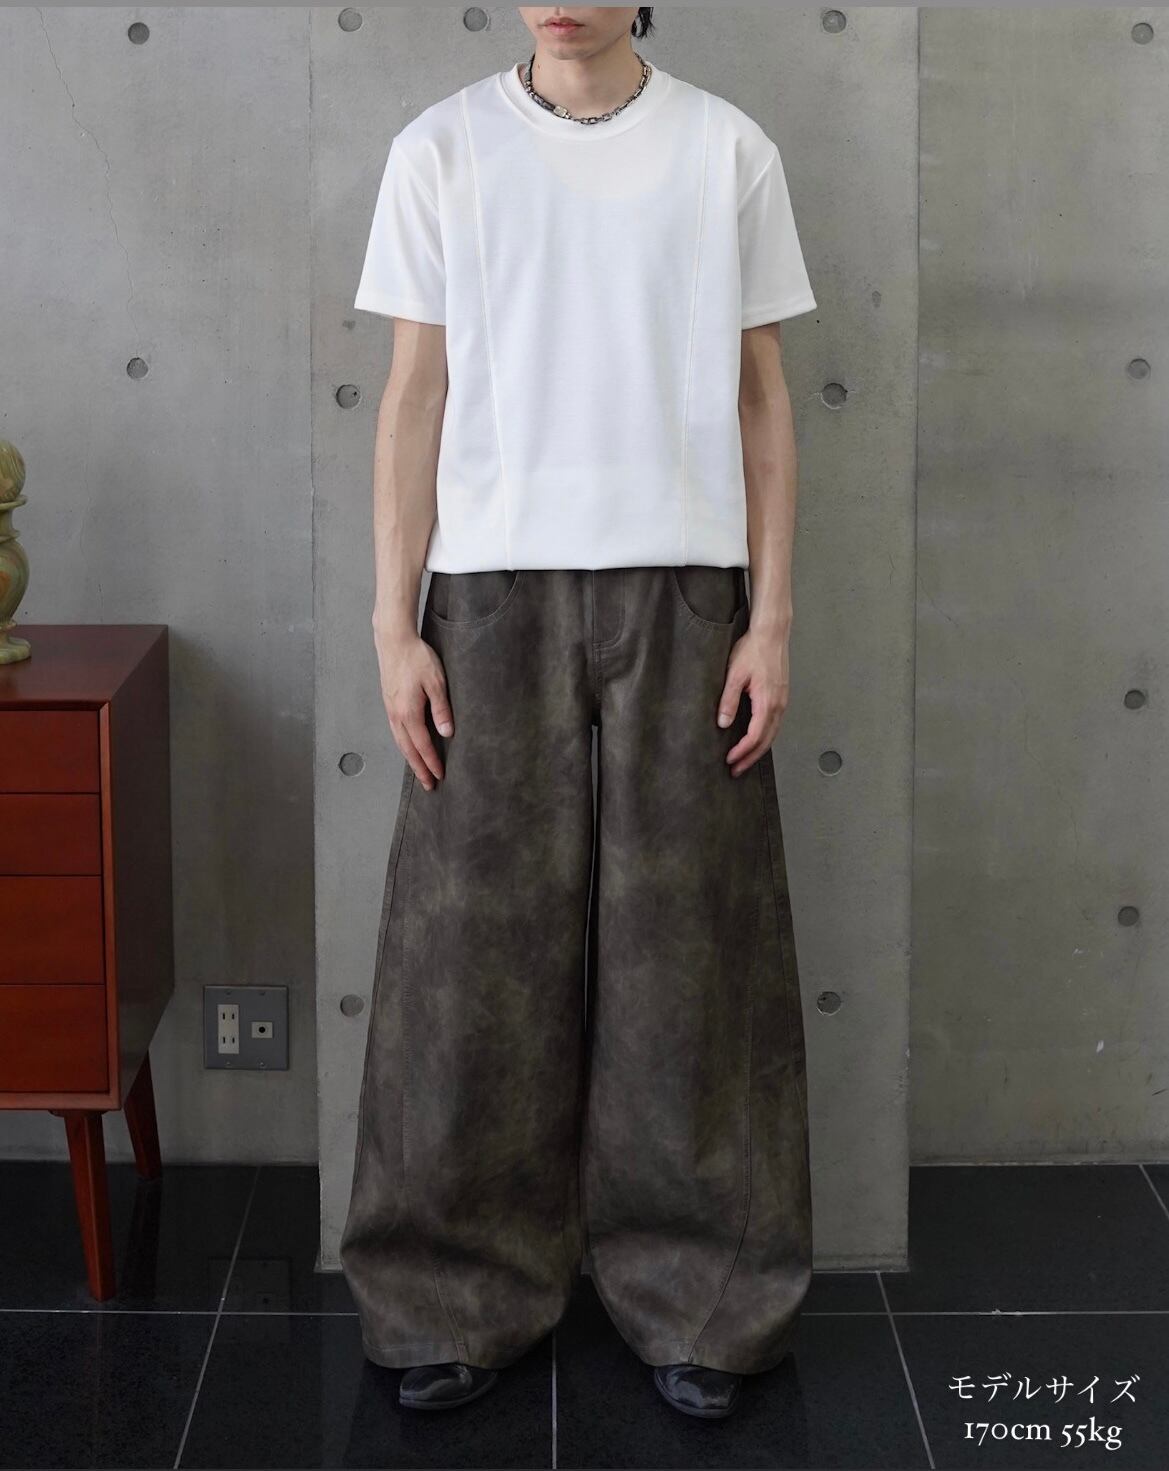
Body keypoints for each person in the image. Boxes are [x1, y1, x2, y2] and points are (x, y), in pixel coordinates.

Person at [339, 4, 816, 1422]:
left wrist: (772, 617)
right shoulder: (441, 148)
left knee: (693, 961)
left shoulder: (725, 149)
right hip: (487, 599)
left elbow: (763, 401)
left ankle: (705, 1302)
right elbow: (413, 396)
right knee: (466, 963)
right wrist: (393, 622)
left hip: (688, 594)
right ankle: (446, 1295)